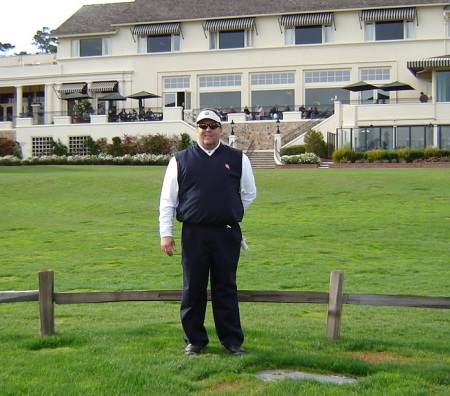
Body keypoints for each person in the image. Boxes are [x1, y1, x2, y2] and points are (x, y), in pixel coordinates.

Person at [159, 108, 257, 356]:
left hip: (226, 234)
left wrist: (229, 211)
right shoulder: (180, 160)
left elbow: (248, 193)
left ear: (220, 129)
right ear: (197, 130)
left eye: (213, 125)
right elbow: (168, 200)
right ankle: (195, 340)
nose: (208, 130)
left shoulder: (237, 158)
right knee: (193, 288)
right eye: (203, 126)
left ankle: (232, 341)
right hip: (194, 234)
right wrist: (166, 233)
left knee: (226, 287)